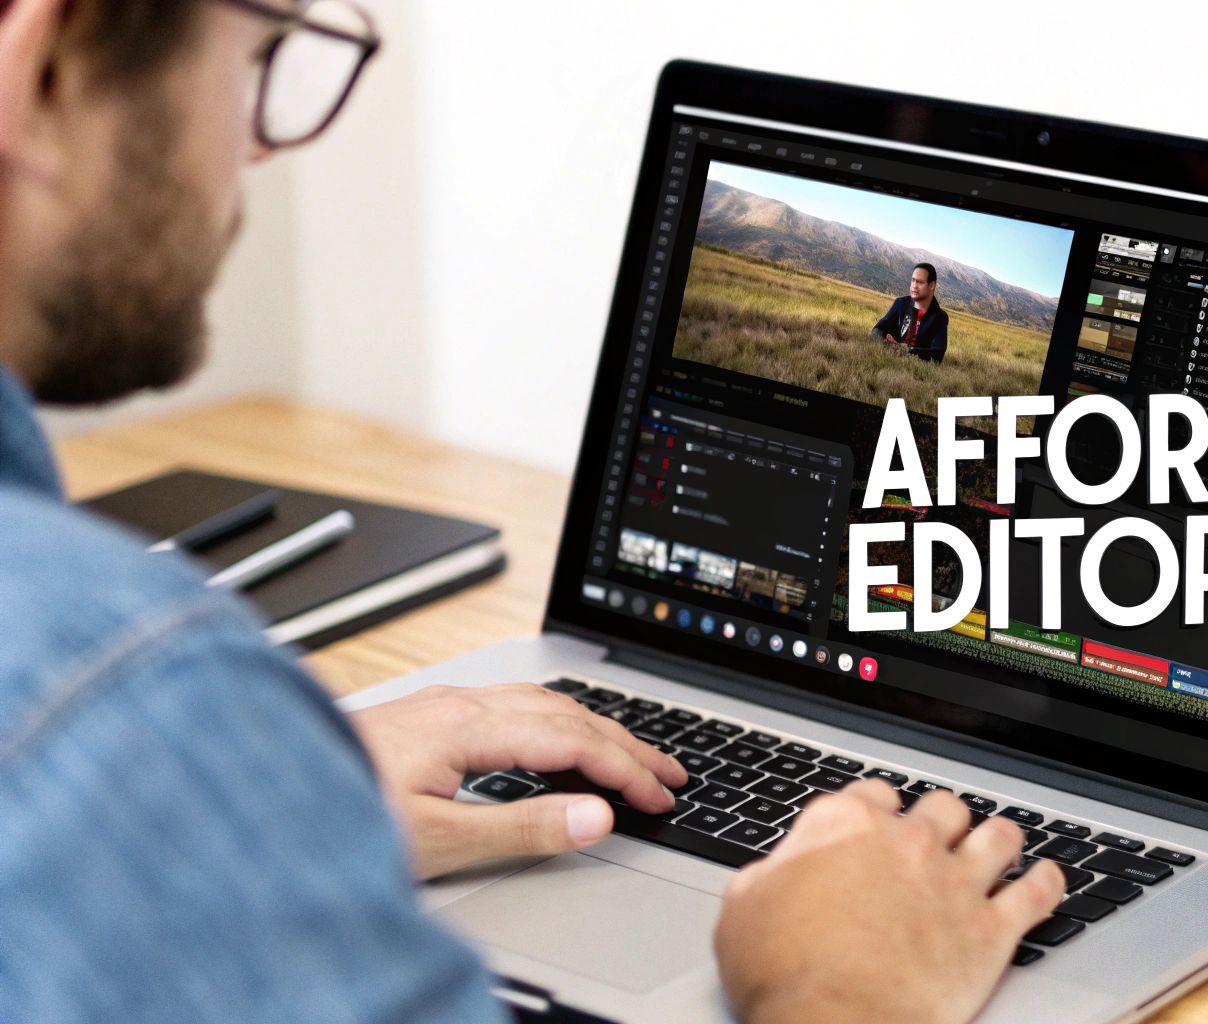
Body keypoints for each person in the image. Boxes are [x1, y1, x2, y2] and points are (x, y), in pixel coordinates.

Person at [0, 3, 1065, 1023]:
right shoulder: (115, 686)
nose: (261, 147)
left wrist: (242, 806)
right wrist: (838, 994)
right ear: (39, 62)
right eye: (254, 63)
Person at [871, 261, 950, 363]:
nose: (914, 286)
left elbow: (938, 354)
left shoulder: (940, 317)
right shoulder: (900, 303)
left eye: (920, 282)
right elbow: (876, 330)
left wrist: (906, 351)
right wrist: (885, 336)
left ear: (932, 286)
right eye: (913, 280)